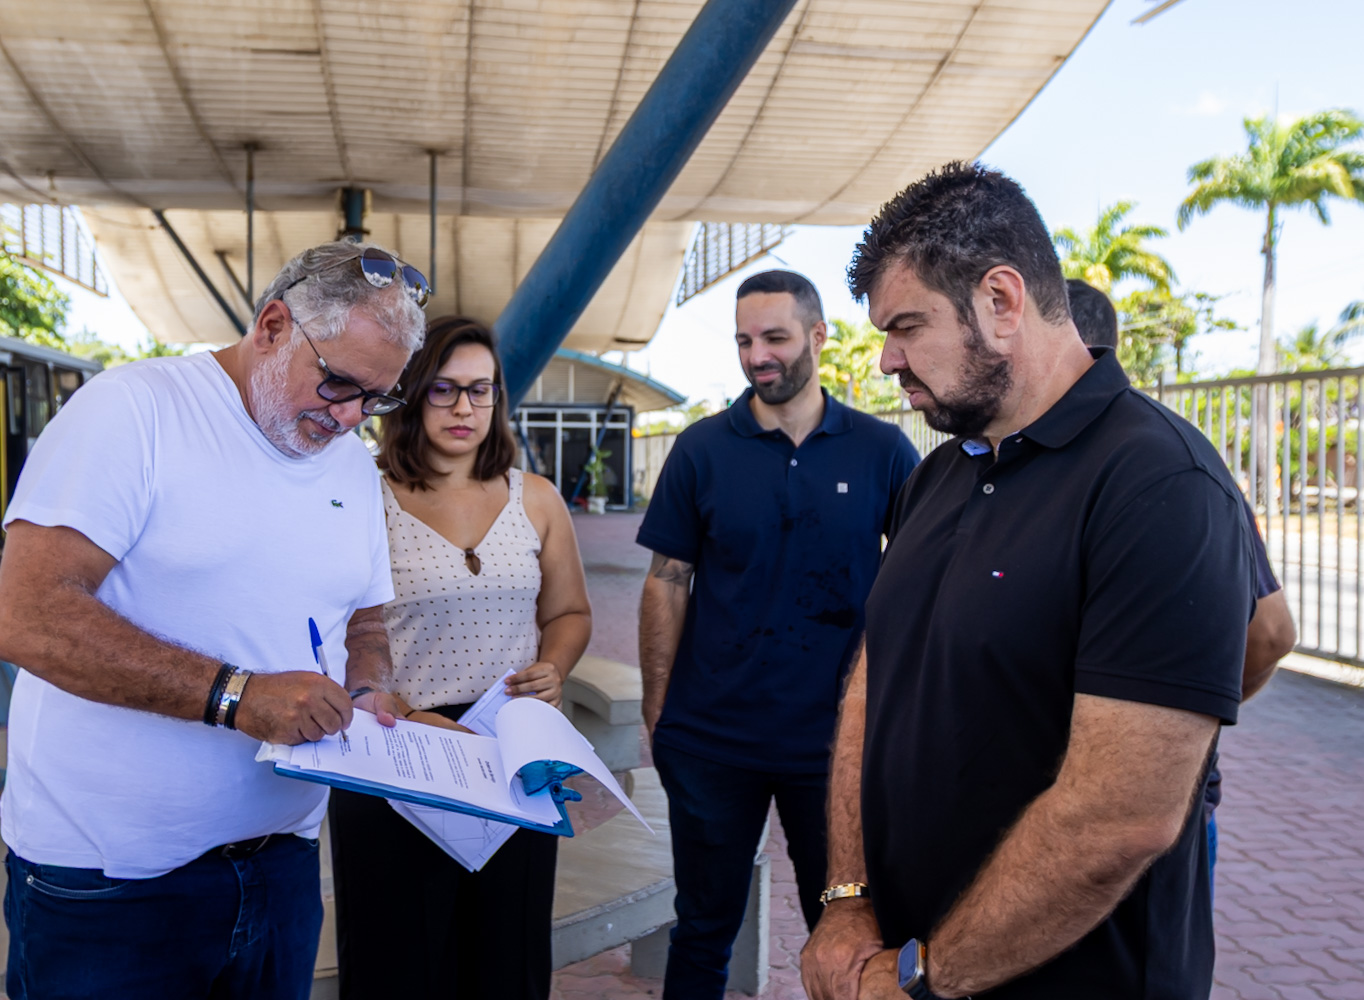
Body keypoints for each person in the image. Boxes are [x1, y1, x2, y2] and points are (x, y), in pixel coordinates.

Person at [801, 162, 1254, 1000]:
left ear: (1002, 302)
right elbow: (874, 679)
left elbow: (1121, 817)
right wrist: (848, 899)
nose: (887, 360)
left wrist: (921, 977)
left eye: (907, 326)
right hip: (904, 961)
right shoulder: (938, 474)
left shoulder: (1160, 486)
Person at [0, 240, 428, 1000]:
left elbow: (364, 621)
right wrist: (237, 695)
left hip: (281, 865)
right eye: (337, 383)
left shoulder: (353, 466)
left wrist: (371, 688)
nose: (351, 416)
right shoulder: (134, 410)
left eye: (377, 399)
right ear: (272, 324)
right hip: (111, 883)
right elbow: (29, 619)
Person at [638, 270, 919, 999]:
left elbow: (922, 588)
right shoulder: (701, 449)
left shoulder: (882, 451)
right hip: (711, 741)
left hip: (834, 753)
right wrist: (658, 711)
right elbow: (668, 580)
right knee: (702, 929)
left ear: (819, 337)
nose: (756, 355)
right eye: (743, 340)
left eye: (774, 337)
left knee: (854, 935)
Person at [328, 315, 592, 1000]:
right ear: (412, 393)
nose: (465, 407)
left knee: (508, 960)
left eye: (482, 390)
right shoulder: (363, 497)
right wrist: (394, 707)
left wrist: (554, 668)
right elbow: (333, 628)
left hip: (507, 753)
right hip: (398, 750)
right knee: (396, 965)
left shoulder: (534, 497)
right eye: (444, 389)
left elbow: (568, 613)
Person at [1065, 278, 1296, 889]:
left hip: (1134, 818)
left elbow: (1272, 633)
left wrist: (1171, 718)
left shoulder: (1163, 465)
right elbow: (1271, 631)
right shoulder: (1162, 451)